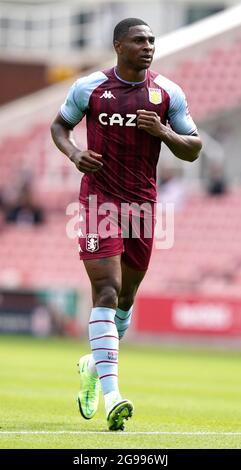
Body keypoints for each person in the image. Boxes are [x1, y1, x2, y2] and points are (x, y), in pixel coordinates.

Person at [51, 17, 202, 431]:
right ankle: (113, 396)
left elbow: (194, 148)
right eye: (139, 40)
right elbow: (60, 126)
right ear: (119, 45)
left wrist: (164, 133)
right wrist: (73, 153)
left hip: (142, 208)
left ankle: (91, 366)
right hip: (99, 201)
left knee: (125, 301)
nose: (148, 46)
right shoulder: (89, 88)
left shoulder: (168, 92)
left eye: (151, 40)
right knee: (106, 288)